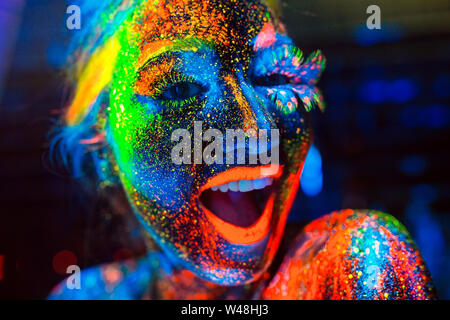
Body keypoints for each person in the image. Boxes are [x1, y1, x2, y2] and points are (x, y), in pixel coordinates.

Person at [48, 0, 435, 299]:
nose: (255, 130)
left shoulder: (351, 265)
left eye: (273, 77)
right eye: (180, 87)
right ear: (105, 149)